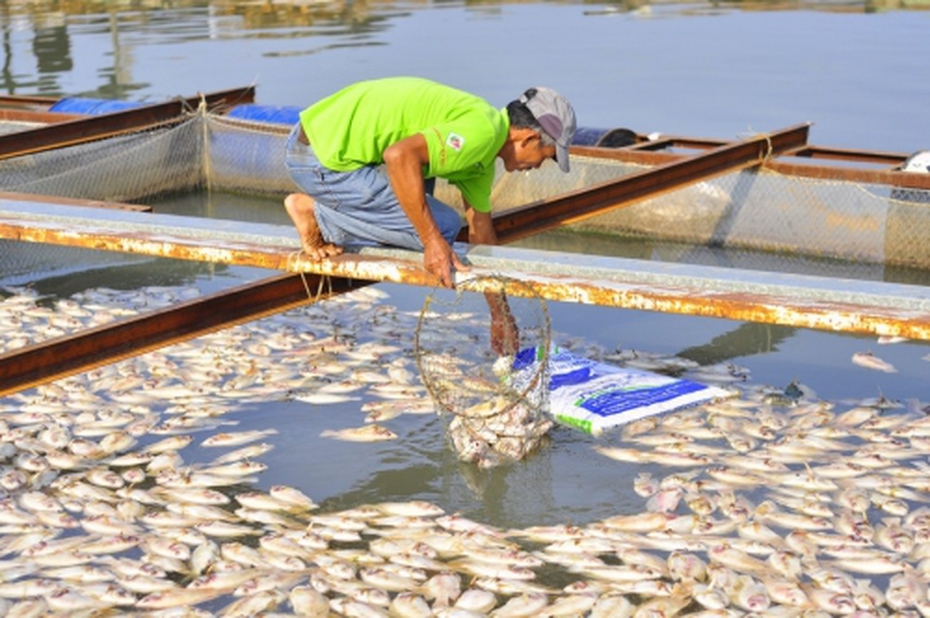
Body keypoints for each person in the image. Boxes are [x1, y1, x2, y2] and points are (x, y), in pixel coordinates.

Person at [283, 76, 577, 354]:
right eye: (547, 156)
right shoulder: (481, 132)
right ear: (527, 139)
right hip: (318, 158)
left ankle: (330, 211)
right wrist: (432, 239)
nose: (540, 166)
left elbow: (481, 232)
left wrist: (500, 314)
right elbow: (398, 156)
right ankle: (314, 211)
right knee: (443, 226)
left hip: (322, 144)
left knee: (429, 216)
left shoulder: (483, 151)